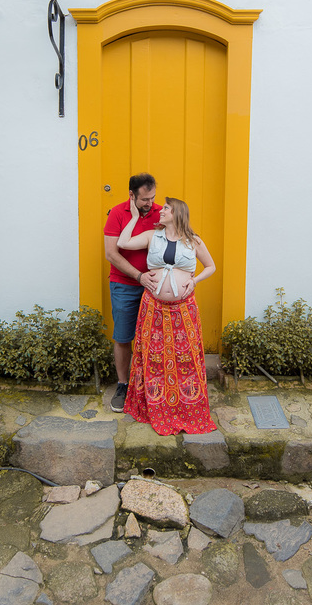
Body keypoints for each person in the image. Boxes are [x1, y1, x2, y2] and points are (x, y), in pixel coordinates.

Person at [116, 196, 217, 435]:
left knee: (185, 356)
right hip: (153, 306)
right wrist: (133, 217)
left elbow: (211, 266)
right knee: (152, 355)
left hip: (184, 308)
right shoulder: (152, 236)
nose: (161, 211)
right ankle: (156, 404)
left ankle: (184, 406)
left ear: (177, 213)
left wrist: (194, 281)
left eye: (166, 208)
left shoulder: (194, 240)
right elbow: (122, 242)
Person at [103, 173, 162, 413]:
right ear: (131, 195)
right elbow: (111, 253)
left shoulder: (161, 213)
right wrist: (139, 276)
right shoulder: (118, 213)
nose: (150, 203)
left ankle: (150, 385)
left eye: (152, 198)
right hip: (125, 285)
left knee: (156, 337)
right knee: (123, 336)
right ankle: (122, 385)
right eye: (145, 199)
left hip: (155, 286)